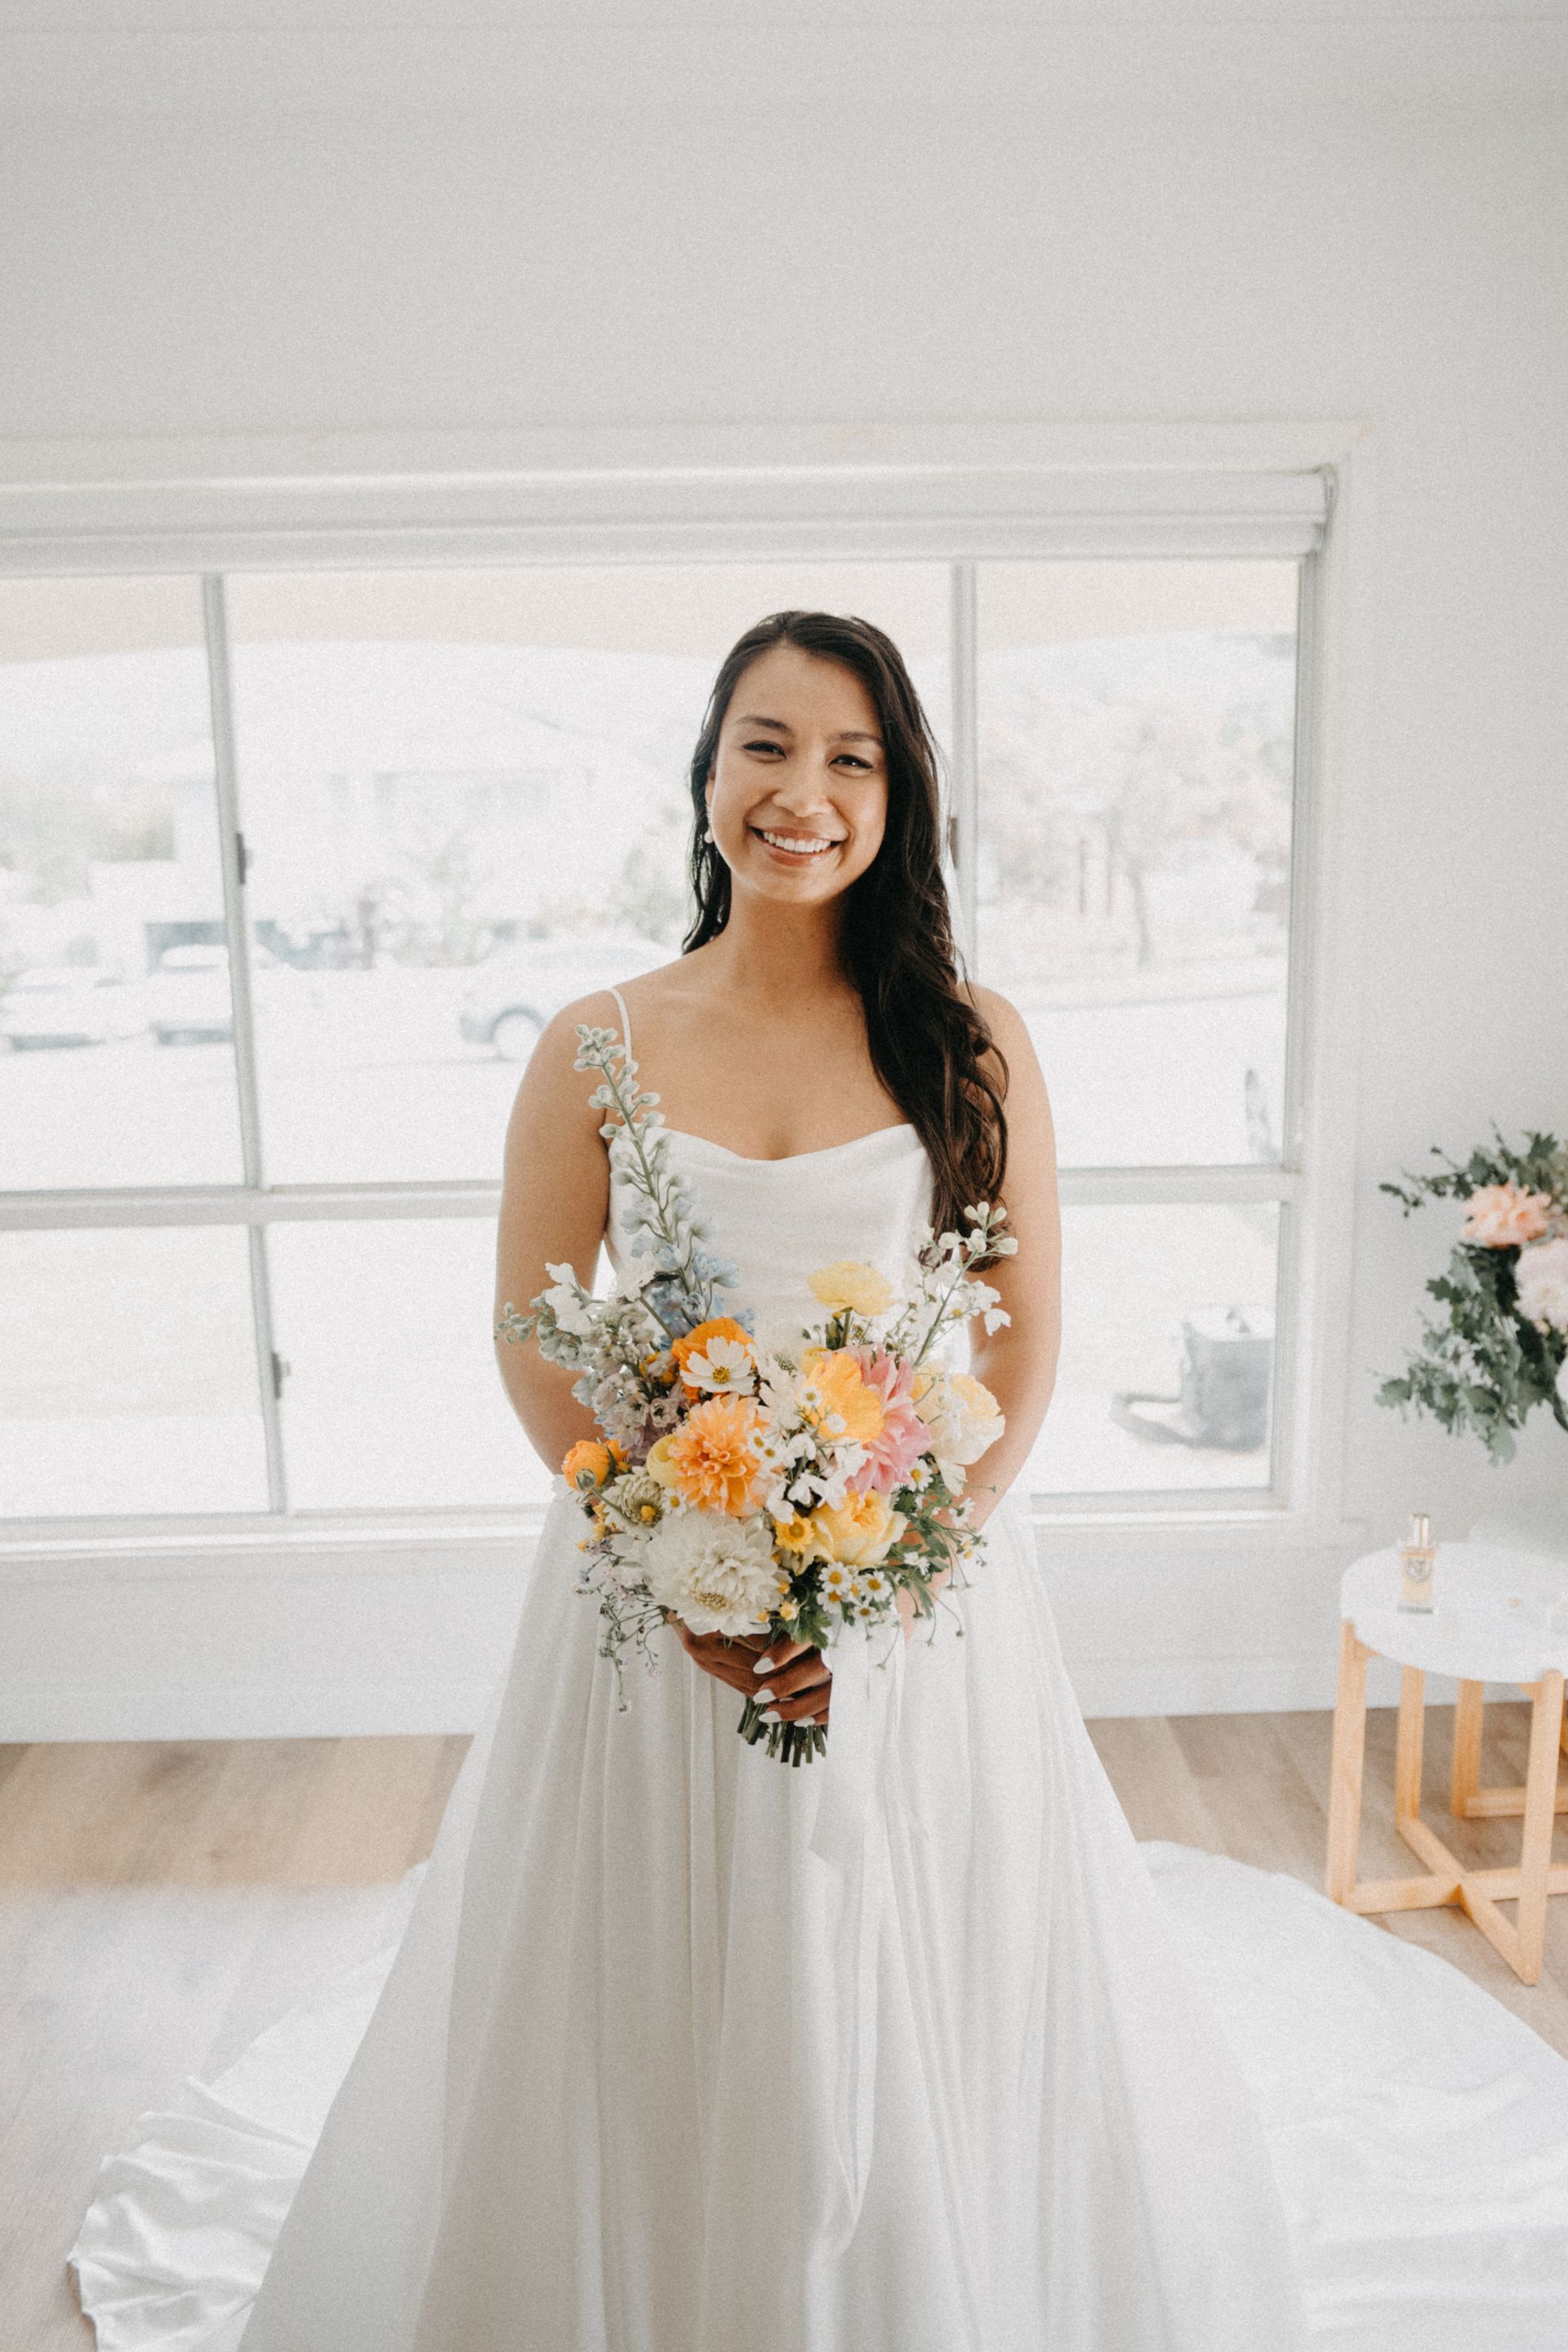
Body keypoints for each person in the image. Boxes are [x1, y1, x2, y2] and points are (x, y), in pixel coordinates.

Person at [69, 611, 1568, 2351]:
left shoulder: (969, 1037)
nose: (804, 792)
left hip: (921, 1600)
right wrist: (683, 1558)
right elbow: (534, 1335)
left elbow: (1013, 1355)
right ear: (707, 771)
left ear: (900, 797)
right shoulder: (595, 1042)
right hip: (647, 1610)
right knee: (645, 1982)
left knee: (918, 1975)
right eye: (766, 745)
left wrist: (871, 1591)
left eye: (851, 758)